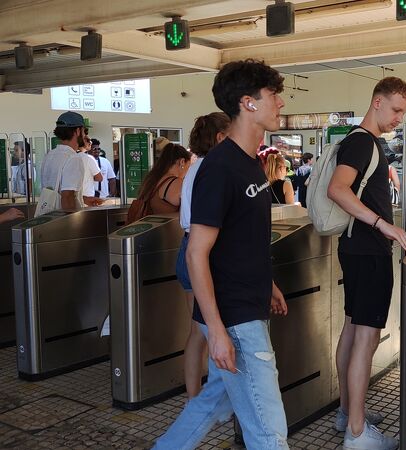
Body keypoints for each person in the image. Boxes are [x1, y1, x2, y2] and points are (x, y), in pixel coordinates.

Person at [154, 59, 289, 450]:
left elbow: (240, 240)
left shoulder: (251, 163)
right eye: (273, 96)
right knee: (268, 431)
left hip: (245, 303)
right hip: (234, 320)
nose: (280, 103)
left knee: (213, 402)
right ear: (248, 103)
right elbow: (197, 253)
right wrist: (215, 331)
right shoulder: (220, 168)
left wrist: (267, 283)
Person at [327, 77, 406, 450]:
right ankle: (358, 433)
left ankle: (348, 412)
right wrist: (384, 225)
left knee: (352, 329)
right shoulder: (363, 142)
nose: (398, 118)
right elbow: (337, 188)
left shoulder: (359, 140)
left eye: (403, 112)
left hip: (354, 248)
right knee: (366, 335)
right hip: (368, 249)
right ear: (377, 102)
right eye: (395, 109)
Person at [176, 112, 230, 399]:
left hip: (188, 247)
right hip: (202, 254)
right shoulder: (212, 169)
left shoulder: (196, 167)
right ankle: (198, 400)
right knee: (206, 331)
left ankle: (195, 397)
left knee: (199, 332)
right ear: (221, 137)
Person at [40, 111, 89, 211]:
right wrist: (72, 225)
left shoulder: (49, 155)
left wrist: (86, 199)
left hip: (47, 218)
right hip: (62, 222)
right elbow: (67, 197)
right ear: (78, 131)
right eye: (84, 131)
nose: (84, 135)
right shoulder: (73, 158)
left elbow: (56, 190)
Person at [136, 143, 190, 215]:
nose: (188, 170)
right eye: (188, 166)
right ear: (182, 162)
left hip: (151, 224)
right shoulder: (175, 183)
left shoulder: (152, 178)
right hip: (168, 226)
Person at [78, 134, 104, 207]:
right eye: (88, 141)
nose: (91, 143)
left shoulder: (71, 156)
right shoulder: (89, 158)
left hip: (74, 196)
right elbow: (99, 178)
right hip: (87, 198)